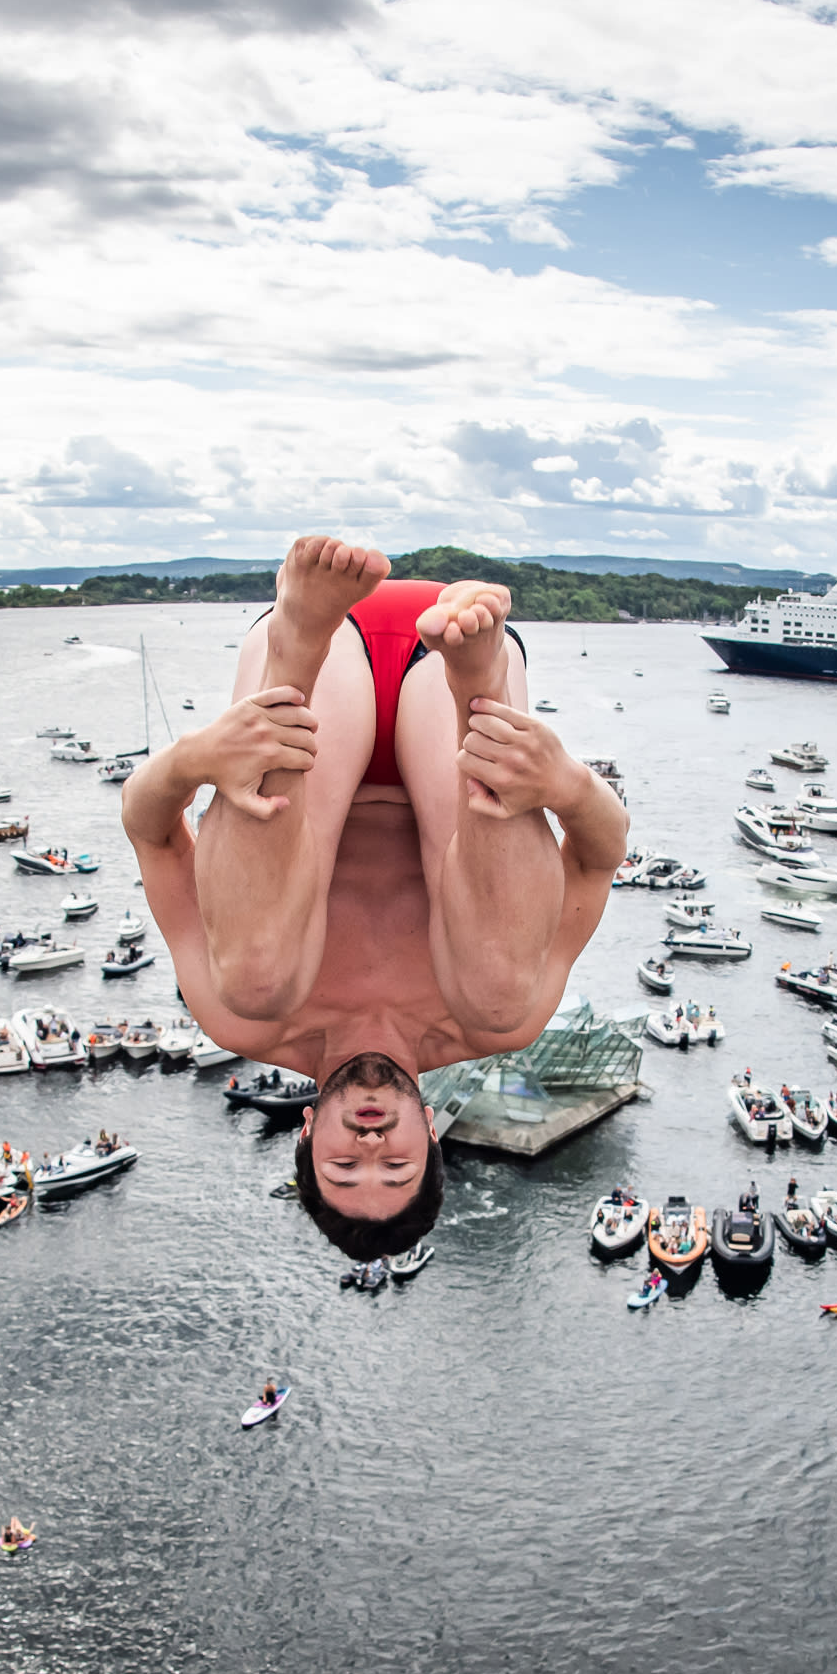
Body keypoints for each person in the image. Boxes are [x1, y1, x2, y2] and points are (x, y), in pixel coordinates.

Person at [124, 539, 626, 1260]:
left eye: (343, 1165)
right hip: (455, 686)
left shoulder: (236, 1017)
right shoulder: (486, 1025)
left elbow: (151, 830)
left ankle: (292, 645)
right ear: (428, 1126)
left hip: (317, 677)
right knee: (498, 997)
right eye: (395, 1165)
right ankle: (482, 691)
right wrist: (568, 785)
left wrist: (193, 759)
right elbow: (599, 855)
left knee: (256, 981)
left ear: (305, 1132)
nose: (369, 1142)